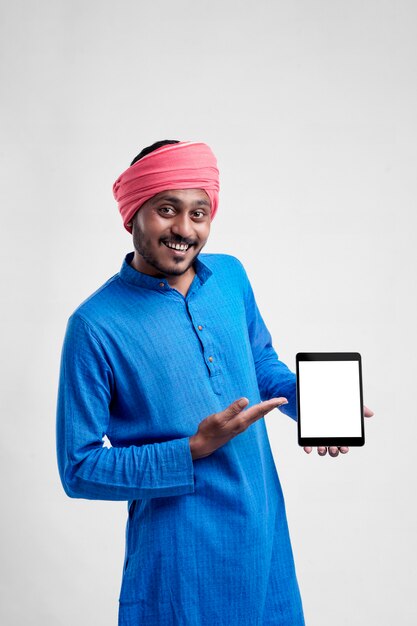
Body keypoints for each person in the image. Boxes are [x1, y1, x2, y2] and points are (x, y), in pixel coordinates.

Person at [56, 140, 372, 625]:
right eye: (167, 210)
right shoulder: (95, 325)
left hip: (262, 534)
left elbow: (259, 360)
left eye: (199, 212)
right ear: (132, 213)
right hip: (179, 559)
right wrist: (192, 449)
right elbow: (79, 468)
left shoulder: (230, 277)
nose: (184, 229)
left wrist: (303, 401)